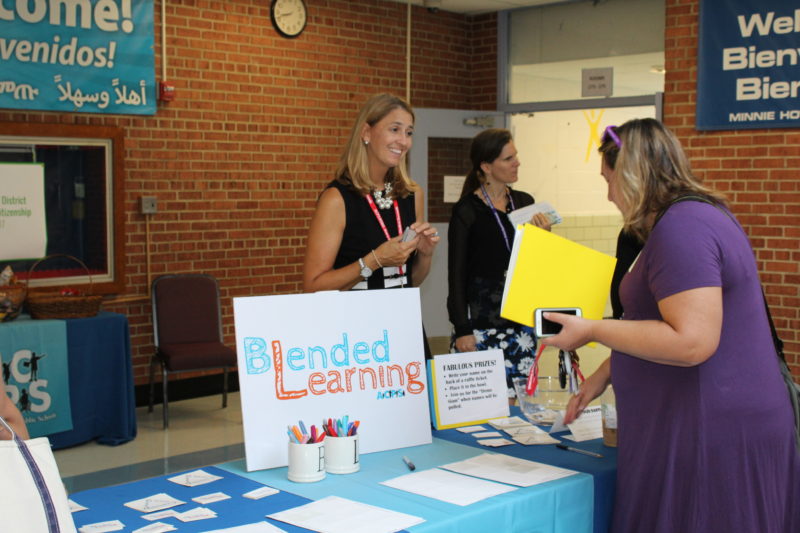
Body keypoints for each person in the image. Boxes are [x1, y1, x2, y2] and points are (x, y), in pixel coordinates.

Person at [542, 118, 800, 532]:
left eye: (608, 180)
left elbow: (691, 341)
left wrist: (592, 329)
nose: (608, 195)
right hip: (699, 423)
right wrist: (605, 374)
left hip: (708, 430)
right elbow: (658, 322)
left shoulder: (684, 227)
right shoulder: (690, 218)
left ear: (631, 174)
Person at [302, 94, 440, 352]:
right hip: (357, 339)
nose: (404, 141)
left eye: (409, 132)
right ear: (367, 132)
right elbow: (313, 288)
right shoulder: (337, 199)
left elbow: (409, 281)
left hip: (404, 333)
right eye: (394, 129)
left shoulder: (412, 195)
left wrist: (425, 256)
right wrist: (375, 260)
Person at [447, 128, 552, 401]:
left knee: (519, 403)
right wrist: (462, 328)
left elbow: (537, 266)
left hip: (520, 323)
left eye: (516, 156)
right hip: (482, 323)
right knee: (483, 404)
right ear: (486, 166)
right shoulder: (467, 211)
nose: (517, 162)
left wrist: (543, 238)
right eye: (508, 158)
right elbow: (456, 275)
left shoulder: (525, 203)